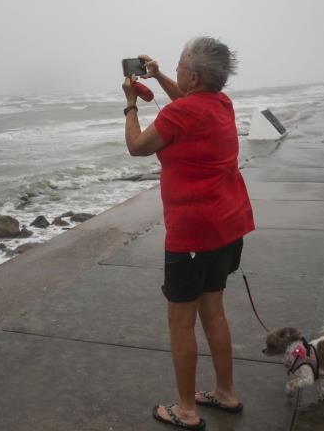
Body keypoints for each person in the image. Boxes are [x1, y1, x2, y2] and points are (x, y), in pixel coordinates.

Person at [121, 37, 255, 430]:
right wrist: (159, 73)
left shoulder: (180, 115)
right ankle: (226, 394)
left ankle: (186, 410)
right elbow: (186, 98)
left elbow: (137, 146)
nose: (176, 70)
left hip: (193, 235)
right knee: (214, 311)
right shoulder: (220, 104)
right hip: (228, 226)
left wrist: (130, 102)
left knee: (181, 323)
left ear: (193, 76)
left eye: (179, 66)